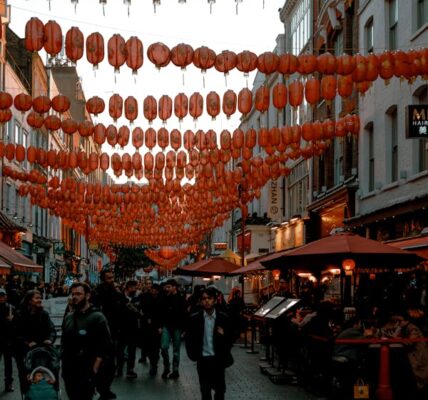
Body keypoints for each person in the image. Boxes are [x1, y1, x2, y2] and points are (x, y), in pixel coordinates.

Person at [61, 282, 113, 400]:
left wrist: (96, 366)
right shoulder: (69, 318)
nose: (75, 297)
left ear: (87, 296)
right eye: (73, 294)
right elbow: (64, 341)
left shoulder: (97, 317)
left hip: (87, 367)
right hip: (70, 368)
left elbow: (105, 344)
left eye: (78, 294)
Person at [185, 287, 234, 400]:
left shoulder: (223, 318)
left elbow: (232, 336)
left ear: (215, 300)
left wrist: (224, 334)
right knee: (205, 390)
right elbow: (189, 338)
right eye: (204, 298)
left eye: (209, 298)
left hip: (218, 359)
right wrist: (194, 355)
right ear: (200, 301)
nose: (207, 301)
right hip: (203, 360)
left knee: (220, 390)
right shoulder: (195, 319)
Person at [14, 290, 57, 393]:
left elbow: (52, 329)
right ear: (29, 300)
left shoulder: (44, 314)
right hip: (24, 351)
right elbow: (14, 333)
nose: (40, 300)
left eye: (40, 298)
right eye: (37, 298)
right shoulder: (19, 314)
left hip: (43, 350)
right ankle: (26, 394)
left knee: (46, 373)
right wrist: (27, 342)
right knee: (26, 376)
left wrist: (50, 339)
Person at [92, 269, 121, 399]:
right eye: (109, 278)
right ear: (103, 279)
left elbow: (120, 306)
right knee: (102, 360)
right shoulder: (98, 292)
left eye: (112, 277)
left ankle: (106, 388)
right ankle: (100, 388)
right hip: (100, 330)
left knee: (110, 363)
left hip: (113, 329)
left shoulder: (115, 291)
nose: (111, 280)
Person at [159, 279, 188, 379]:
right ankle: (166, 366)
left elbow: (184, 314)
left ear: (174, 287)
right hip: (166, 326)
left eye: (169, 287)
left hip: (177, 326)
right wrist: (160, 326)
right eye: (166, 287)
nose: (167, 289)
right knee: (164, 347)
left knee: (176, 350)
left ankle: (175, 370)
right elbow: (161, 312)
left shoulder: (181, 299)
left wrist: (184, 329)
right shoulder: (164, 298)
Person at [116, 280, 141, 379]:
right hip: (122, 328)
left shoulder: (137, 299)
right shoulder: (120, 298)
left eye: (135, 287)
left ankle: (130, 369)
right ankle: (119, 368)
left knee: (132, 350)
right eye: (132, 287)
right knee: (120, 350)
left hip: (133, 328)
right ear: (127, 288)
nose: (134, 289)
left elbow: (139, 312)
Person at [140, 283, 163, 376]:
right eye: (152, 289)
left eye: (155, 290)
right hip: (147, 326)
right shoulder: (146, 297)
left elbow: (162, 313)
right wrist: (147, 318)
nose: (153, 291)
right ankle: (152, 362)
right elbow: (143, 309)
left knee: (155, 346)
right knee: (148, 346)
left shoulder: (161, 299)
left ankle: (154, 364)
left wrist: (160, 326)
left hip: (156, 326)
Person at [0, 288, 15, 392]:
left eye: (2, 295)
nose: (1, 298)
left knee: (8, 364)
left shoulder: (11, 308)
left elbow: (17, 324)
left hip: (7, 340)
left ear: (5, 296)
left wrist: (13, 319)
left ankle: (8, 384)